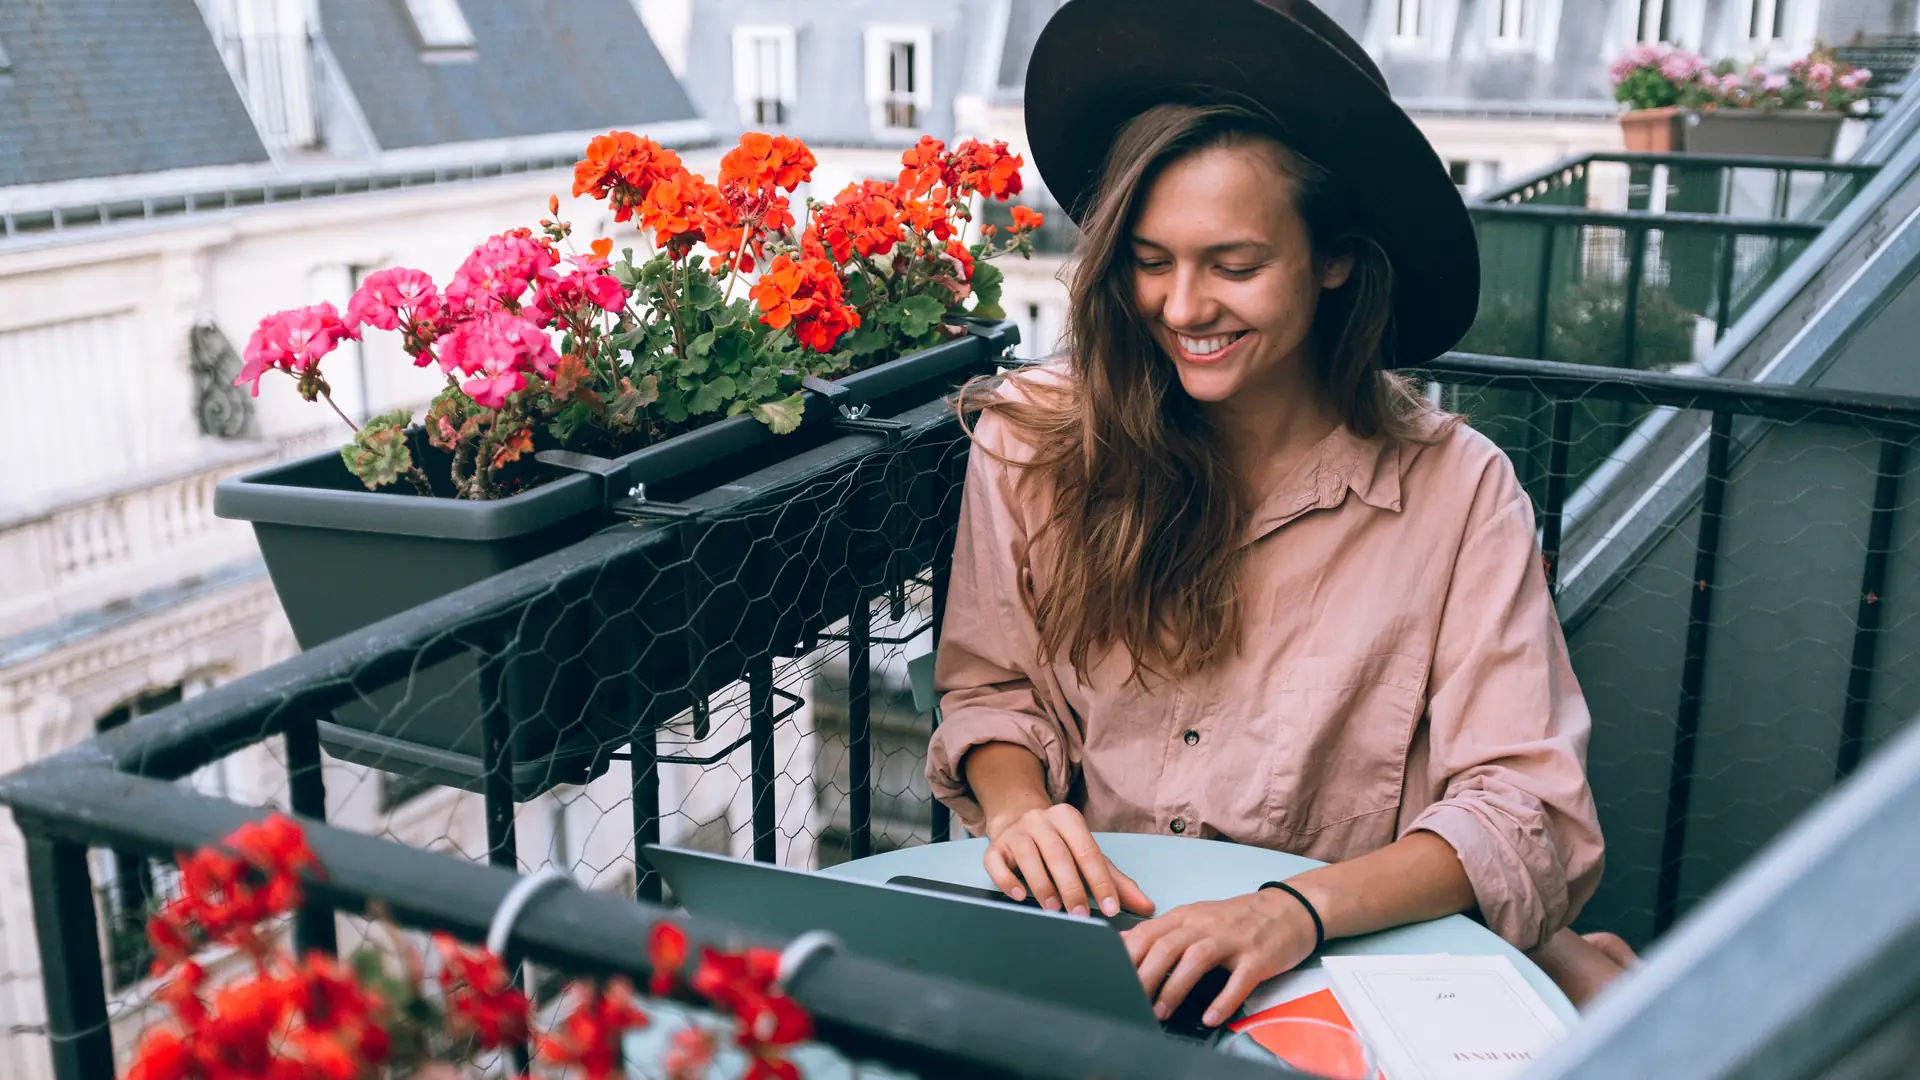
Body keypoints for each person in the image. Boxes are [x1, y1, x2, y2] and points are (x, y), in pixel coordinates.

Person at [924, 0, 1635, 1028]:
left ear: (1333, 258)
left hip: (1344, 981)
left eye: (1234, 264)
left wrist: (1289, 913)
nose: (1180, 306)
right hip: (1101, 964)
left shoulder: (1456, 491)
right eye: (1148, 259)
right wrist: (1019, 804)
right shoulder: (1034, 440)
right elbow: (991, 686)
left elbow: (1525, 811)